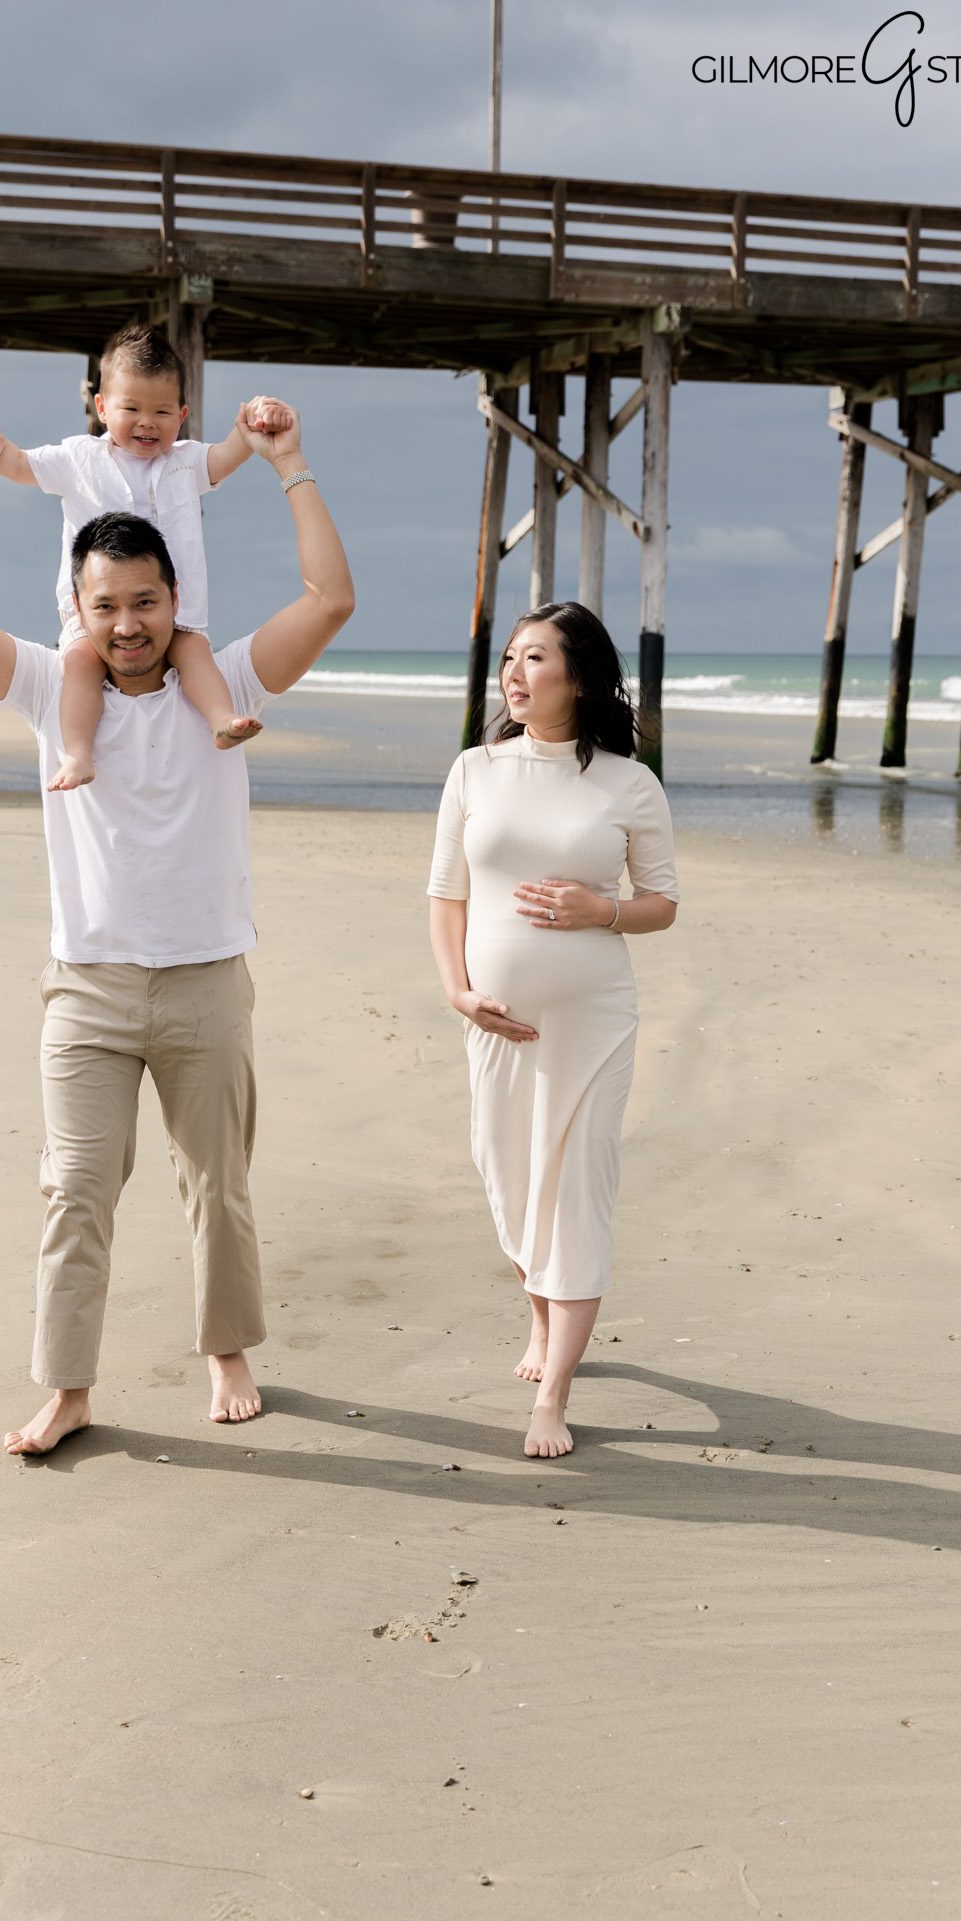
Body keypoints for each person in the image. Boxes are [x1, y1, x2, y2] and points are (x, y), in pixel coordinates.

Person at [0, 401, 353, 1456]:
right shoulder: (39, 686)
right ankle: (67, 1385)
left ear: (175, 598)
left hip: (204, 981)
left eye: (145, 601)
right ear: (78, 606)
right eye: (106, 606)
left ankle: (228, 1348)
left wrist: (288, 459)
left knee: (218, 1184)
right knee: (75, 1190)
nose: (128, 623)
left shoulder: (226, 682)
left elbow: (330, 599)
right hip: (89, 989)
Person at [427, 603, 679, 1459]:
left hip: (592, 1021)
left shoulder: (627, 782)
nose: (513, 671)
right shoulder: (473, 770)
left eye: (534, 657)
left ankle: (556, 1396)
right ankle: (540, 1317)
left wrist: (598, 909)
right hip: (497, 1022)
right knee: (512, 1177)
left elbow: (662, 904)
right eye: (509, 657)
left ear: (577, 676)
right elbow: (446, 896)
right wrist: (457, 992)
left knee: (574, 1188)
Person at [0, 320, 294, 791]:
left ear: (183, 415)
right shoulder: (78, 459)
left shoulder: (186, 462)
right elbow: (20, 464)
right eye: (131, 408)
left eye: (162, 411)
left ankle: (220, 719)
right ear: (102, 408)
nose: (147, 422)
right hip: (95, 616)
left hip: (176, 610)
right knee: (79, 667)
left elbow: (232, 453)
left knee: (195, 655)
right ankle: (77, 754)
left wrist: (257, 420)